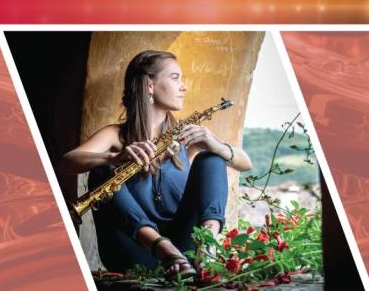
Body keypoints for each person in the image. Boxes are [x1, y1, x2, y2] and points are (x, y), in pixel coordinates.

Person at [59, 50, 252, 279]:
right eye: (175, 77)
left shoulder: (185, 135)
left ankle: (207, 247)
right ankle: (163, 247)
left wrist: (214, 144)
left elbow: (245, 163)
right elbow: (65, 163)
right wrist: (114, 157)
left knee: (212, 157)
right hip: (135, 252)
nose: (184, 86)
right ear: (150, 84)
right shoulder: (115, 135)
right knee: (103, 171)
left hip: (185, 250)